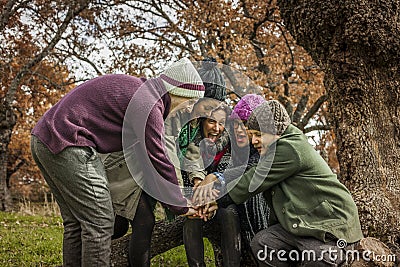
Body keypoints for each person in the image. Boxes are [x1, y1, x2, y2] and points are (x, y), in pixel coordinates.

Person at [30, 58, 203, 266]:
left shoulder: (143, 94)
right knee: (100, 222)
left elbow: (148, 161)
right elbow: (158, 159)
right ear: (179, 90)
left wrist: (176, 201)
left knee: (77, 223)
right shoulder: (149, 105)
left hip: (44, 139)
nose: (189, 109)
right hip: (69, 143)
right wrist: (181, 205)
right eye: (191, 101)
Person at [198, 100, 364, 266]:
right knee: (263, 244)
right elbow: (250, 172)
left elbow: (253, 180)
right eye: (252, 135)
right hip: (304, 224)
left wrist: (218, 200)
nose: (254, 141)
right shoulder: (276, 148)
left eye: (258, 134)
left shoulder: (290, 148)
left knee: (317, 258)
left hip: (330, 224)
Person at [106, 57, 225, 265]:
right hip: (136, 168)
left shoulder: (195, 121)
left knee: (143, 221)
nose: (209, 112)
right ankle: (92, 250)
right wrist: (179, 197)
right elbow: (166, 154)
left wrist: (197, 179)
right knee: (121, 222)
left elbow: (192, 152)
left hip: (153, 172)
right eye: (205, 105)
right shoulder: (172, 111)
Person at [180, 103, 242, 267]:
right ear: (202, 122)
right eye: (212, 121)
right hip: (196, 198)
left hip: (222, 199)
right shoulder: (191, 143)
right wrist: (198, 198)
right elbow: (190, 172)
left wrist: (210, 197)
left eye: (221, 123)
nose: (217, 128)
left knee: (229, 214)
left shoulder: (230, 146)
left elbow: (230, 176)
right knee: (191, 221)